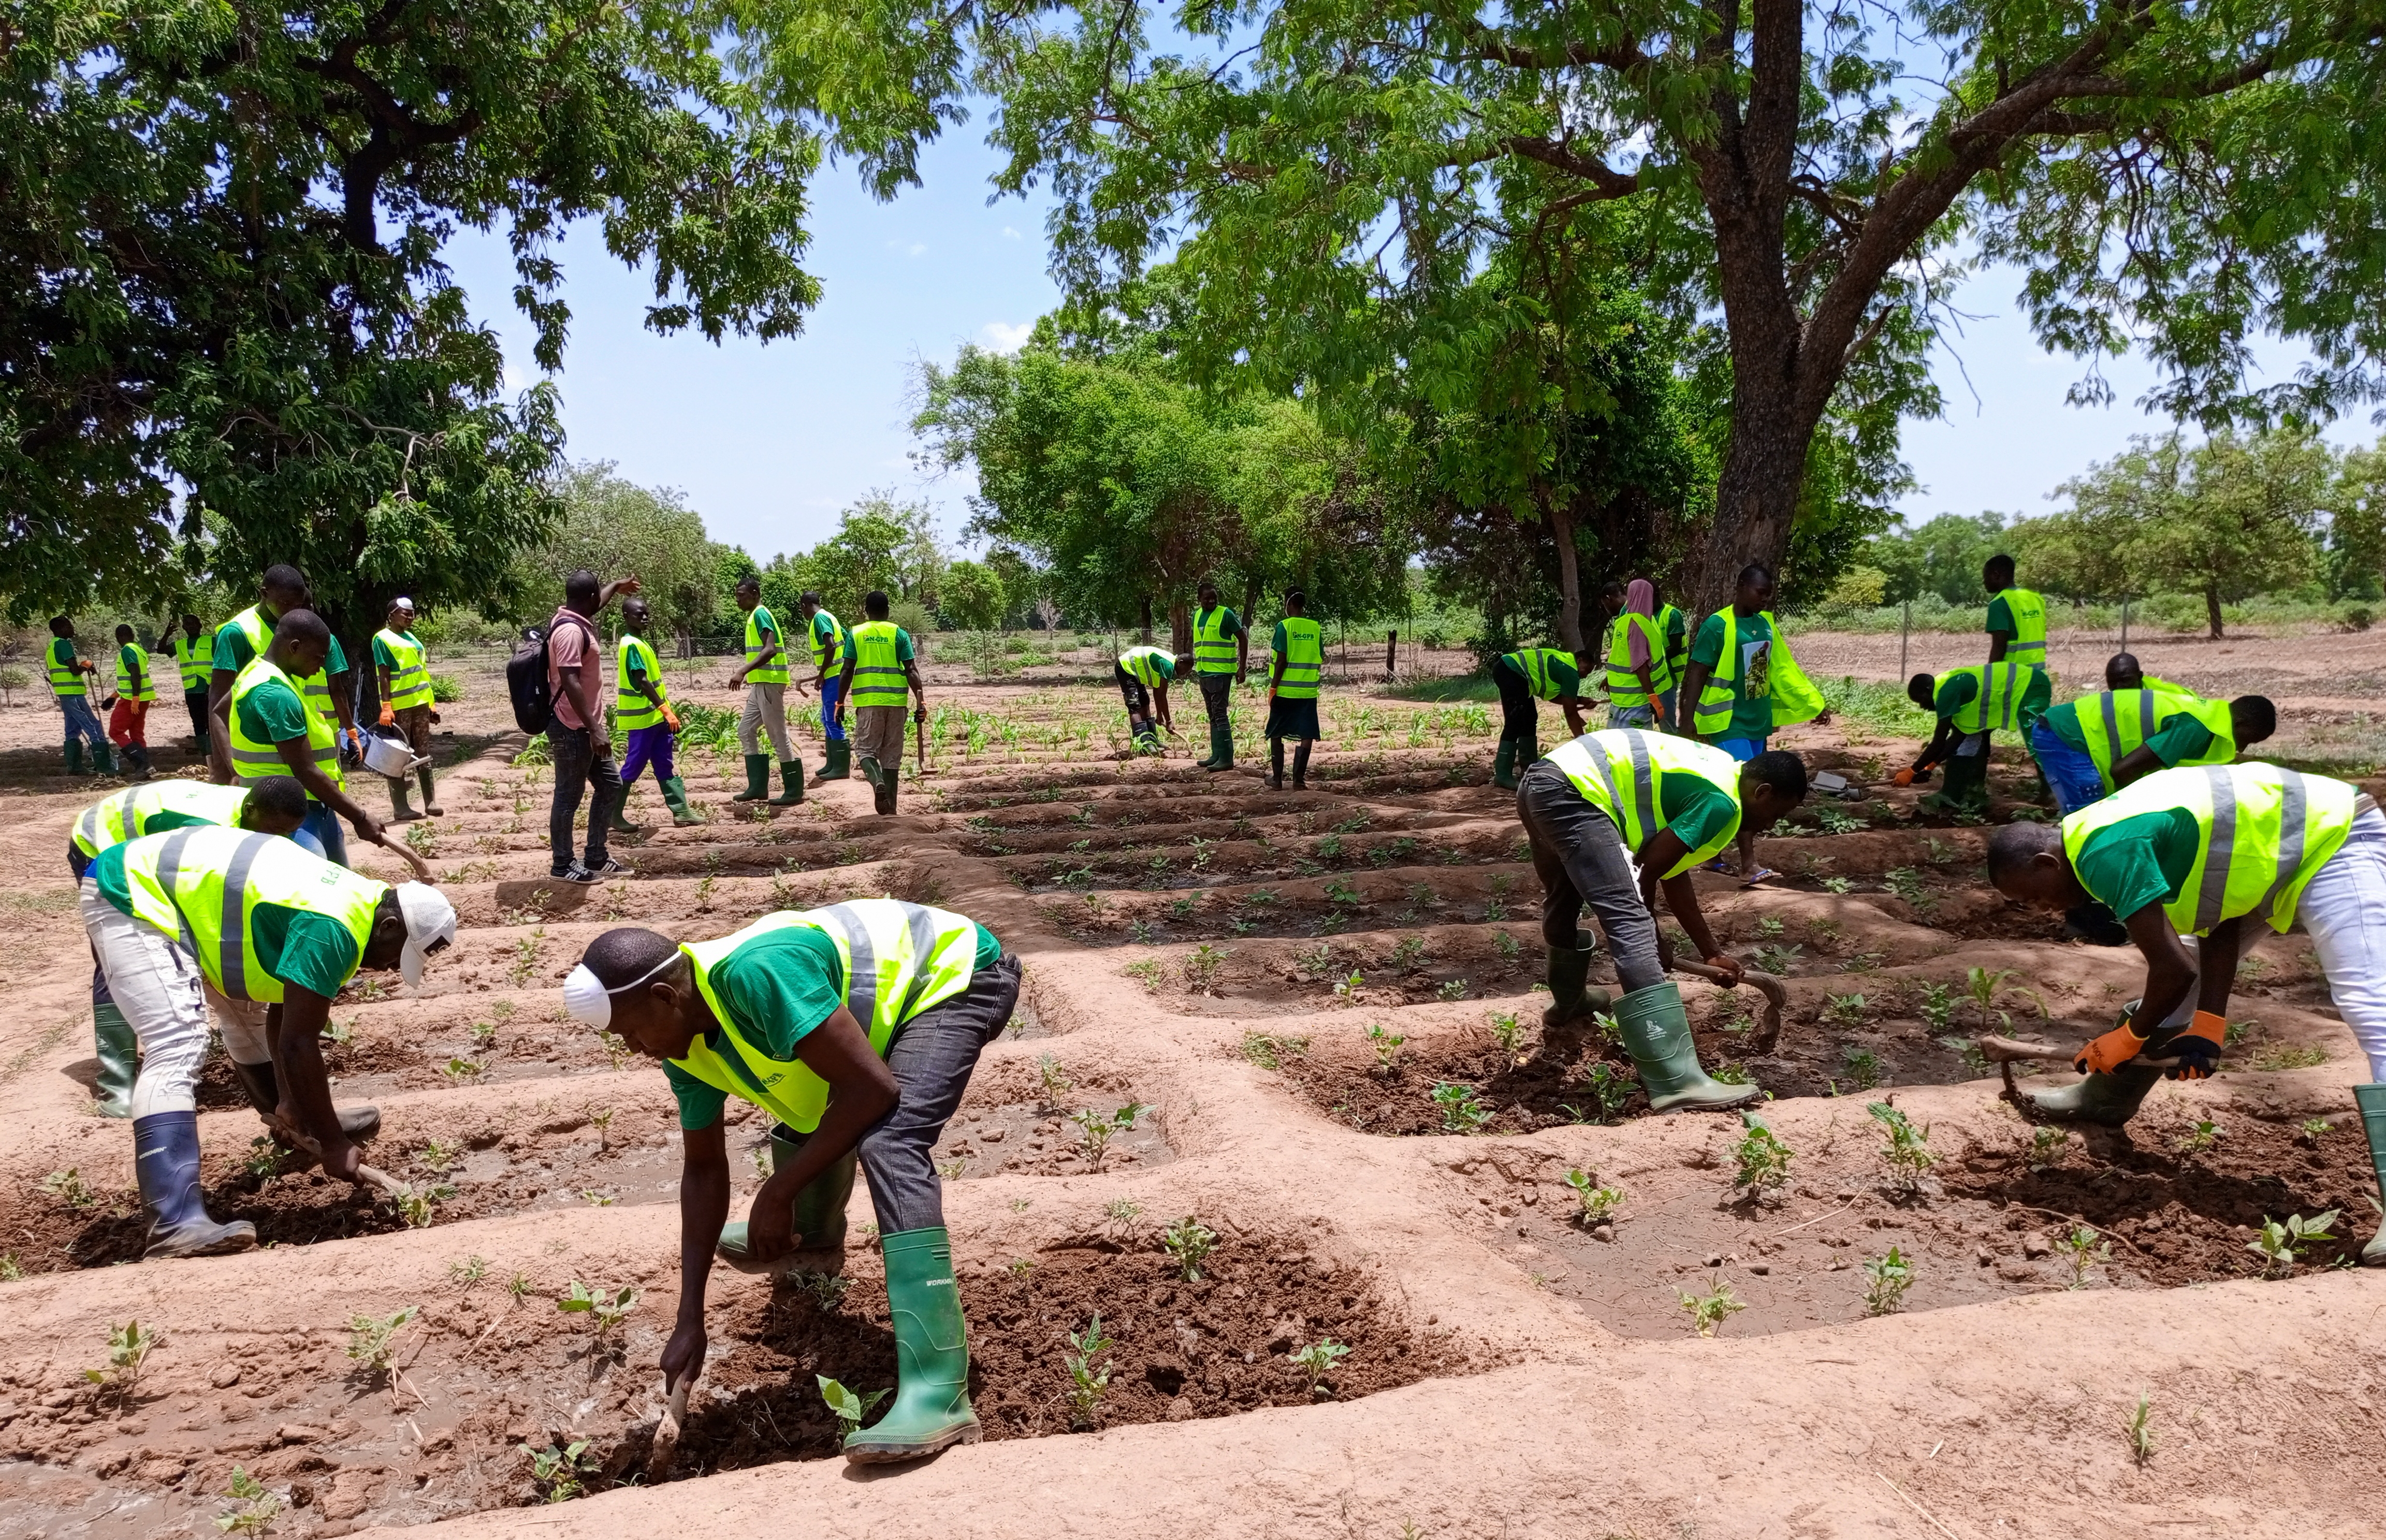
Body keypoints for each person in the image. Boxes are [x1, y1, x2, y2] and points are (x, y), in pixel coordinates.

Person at [561, 897, 1019, 1460]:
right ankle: (815, 1239)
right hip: (885, 1006)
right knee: (815, 1099)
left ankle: (940, 1395)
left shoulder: (757, 975)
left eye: (633, 1033)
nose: (636, 1049)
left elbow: (874, 1090)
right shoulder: (683, 1044)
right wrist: (690, 1317)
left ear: (665, 997)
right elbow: (703, 1167)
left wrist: (777, 1192)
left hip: (954, 973)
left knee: (891, 1140)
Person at [1987, 765, 2386, 1263]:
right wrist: (2207, 1027)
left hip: (2335, 837)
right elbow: (2217, 919)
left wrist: (2130, 1036)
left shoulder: (2104, 852)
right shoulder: (2100, 836)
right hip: (2271, 859)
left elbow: (2172, 968)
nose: (2042, 909)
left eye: (2033, 897)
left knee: (2372, 1006)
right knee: (2181, 992)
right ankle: (2104, 1101)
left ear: (2047, 863)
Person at [79, 823, 455, 1256]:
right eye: (397, 957)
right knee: (177, 1042)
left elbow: (283, 1003)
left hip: (159, 889)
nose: (390, 970)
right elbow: (299, 1043)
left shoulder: (357, 902)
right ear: (389, 926)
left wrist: (291, 1100)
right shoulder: (333, 927)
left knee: (235, 1025)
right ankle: (174, 1224)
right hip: (133, 891)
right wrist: (334, 1144)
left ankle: (294, 1116)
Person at [1520, 730, 1808, 1110]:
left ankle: (1569, 1000)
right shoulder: (1722, 802)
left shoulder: (1720, 771)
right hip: (1576, 795)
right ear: (1764, 793)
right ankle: (1677, 1081)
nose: (1772, 825)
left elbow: (1673, 870)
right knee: (1630, 921)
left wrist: (1711, 953)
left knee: (1564, 897)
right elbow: (1646, 872)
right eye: (1778, 813)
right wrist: (1654, 939)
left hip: (1542, 784)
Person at [68, 776, 312, 1120]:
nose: (281, 839)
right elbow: (194, 900)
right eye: (276, 830)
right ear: (250, 811)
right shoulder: (208, 830)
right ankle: (118, 1083)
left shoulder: (264, 821)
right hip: (102, 844)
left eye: (289, 833)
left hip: (152, 848)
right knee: (119, 959)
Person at [1677, 562, 1828, 881]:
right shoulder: (1717, 626)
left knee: (1739, 790)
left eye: (1769, 595)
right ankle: (1748, 865)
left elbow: (1783, 671)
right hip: (1728, 722)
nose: (1765, 600)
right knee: (1747, 791)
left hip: (1758, 722)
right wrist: (1686, 720)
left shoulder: (1766, 626)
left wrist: (1813, 703)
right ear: (1741, 587)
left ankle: (1713, 855)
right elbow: (1697, 674)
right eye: (1761, 593)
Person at [226, 608, 410, 869]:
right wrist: (359, 817)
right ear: (295, 647)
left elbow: (220, 709)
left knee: (337, 885)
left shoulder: (264, 673)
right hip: (287, 816)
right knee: (314, 892)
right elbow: (306, 770)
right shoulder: (274, 693)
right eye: (318, 657)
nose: (322, 665)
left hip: (314, 805)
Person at [208, 566, 354, 787]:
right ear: (264, 593)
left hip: (303, 743)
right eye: (286, 604)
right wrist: (228, 767)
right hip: (263, 756)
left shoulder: (304, 630)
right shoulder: (238, 633)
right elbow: (218, 706)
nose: (292, 610)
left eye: (298, 604)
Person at [546, 569, 641, 883]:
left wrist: (615, 586)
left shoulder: (576, 618)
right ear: (586, 599)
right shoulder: (571, 632)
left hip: (583, 727)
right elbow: (570, 680)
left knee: (610, 785)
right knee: (568, 797)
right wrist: (594, 727)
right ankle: (563, 865)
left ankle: (596, 856)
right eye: (596, 596)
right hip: (573, 727)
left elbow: (595, 603)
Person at [1897, 662, 2052, 817]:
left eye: (1921, 700)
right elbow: (1957, 738)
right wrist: (1929, 767)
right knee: (1969, 742)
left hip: (2030, 685)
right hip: (2015, 688)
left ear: (1928, 690)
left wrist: (1911, 771)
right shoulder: (1946, 687)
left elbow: (1938, 742)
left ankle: (2053, 792)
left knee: (2037, 741)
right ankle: (1962, 794)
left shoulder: (1946, 692)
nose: (1922, 707)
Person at [836, 590, 929, 815]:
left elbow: (848, 669)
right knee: (891, 756)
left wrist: (839, 702)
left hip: (869, 702)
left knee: (866, 751)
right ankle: (891, 810)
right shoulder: (899, 634)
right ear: (888, 611)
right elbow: (911, 670)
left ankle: (877, 781)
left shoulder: (856, 633)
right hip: (897, 703)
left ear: (866, 611)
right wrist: (921, 701)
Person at [614, 596, 701, 829]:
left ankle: (681, 812)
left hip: (656, 718)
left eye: (647, 613)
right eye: (639, 614)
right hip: (643, 718)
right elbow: (642, 681)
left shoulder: (640, 643)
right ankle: (613, 813)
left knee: (664, 762)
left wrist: (665, 712)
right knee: (634, 764)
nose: (645, 617)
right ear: (626, 617)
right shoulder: (631, 645)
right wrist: (665, 709)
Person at [726, 575, 803, 806]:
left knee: (778, 735)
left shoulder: (760, 614)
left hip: (770, 681)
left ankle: (794, 790)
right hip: (760, 684)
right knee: (745, 730)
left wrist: (743, 670)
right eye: (737, 596)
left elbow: (770, 650)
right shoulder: (754, 617)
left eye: (742, 596)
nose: (738, 600)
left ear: (755, 594)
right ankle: (758, 787)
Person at [371, 596, 441, 821]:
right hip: (399, 706)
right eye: (405, 613)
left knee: (423, 751)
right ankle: (401, 807)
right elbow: (383, 676)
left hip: (419, 702)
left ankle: (431, 802)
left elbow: (421, 672)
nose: (410, 617)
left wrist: (430, 703)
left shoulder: (411, 638)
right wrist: (386, 706)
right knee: (398, 754)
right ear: (392, 614)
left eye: (412, 614)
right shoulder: (382, 639)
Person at [1491, 642, 1594, 790]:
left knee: (1529, 717)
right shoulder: (1570, 670)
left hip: (1510, 670)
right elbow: (1570, 712)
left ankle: (1529, 766)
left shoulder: (1564, 663)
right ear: (1579, 661)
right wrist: (1583, 741)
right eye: (1586, 670)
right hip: (1511, 671)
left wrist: (1580, 700)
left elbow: (1553, 697)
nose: (1585, 676)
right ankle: (1503, 775)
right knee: (1515, 720)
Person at [1265, 589, 1324, 791]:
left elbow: (1281, 661)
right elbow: (1319, 657)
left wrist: (1273, 687)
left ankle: (1277, 780)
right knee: (1307, 732)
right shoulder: (1315, 628)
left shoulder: (1284, 627)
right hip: (1307, 691)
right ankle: (1298, 781)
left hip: (1285, 691)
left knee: (1276, 731)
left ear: (1289, 604)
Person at [1190, 579, 1250, 773]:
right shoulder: (1197, 616)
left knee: (1220, 714)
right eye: (1207, 599)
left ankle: (1226, 758)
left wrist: (1242, 668)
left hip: (1221, 673)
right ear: (1199, 599)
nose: (1211, 602)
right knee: (1212, 715)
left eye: (1214, 598)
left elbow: (1242, 637)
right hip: (1204, 672)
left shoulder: (1226, 614)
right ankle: (1216, 754)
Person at [798, 591, 853, 782]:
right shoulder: (830, 616)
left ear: (805, 605)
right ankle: (832, 763)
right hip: (835, 674)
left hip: (833, 676)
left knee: (833, 719)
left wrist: (821, 675)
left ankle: (840, 768)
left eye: (801, 608)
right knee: (826, 718)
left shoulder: (820, 619)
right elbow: (847, 638)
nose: (802, 612)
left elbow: (830, 646)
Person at [46, 616, 112, 775]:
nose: (72, 628)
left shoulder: (52, 645)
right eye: (69, 625)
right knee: (93, 726)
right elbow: (74, 670)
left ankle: (75, 767)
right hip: (73, 694)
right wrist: (86, 665)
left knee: (72, 729)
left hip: (64, 694)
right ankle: (105, 767)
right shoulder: (64, 644)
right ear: (61, 629)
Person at [1601, 579, 1669, 729]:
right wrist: (1654, 700)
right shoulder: (1641, 623)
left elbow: (1623, 657)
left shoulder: (1624, 621)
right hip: (1635, 702)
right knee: (1637, 749)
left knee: (1617, 746)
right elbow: (1640, 667)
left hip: (1621, 701)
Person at [107, 623, 155, 781]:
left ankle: (143, 764)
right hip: (143, 698)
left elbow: (135, 674)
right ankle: (145, 768)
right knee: (136, 733)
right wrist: (114, 696)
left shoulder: (127, 650)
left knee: (116, 731)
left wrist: (134, 698)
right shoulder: (139, 650)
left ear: (118, 637)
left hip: (132, 700)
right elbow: (128, 679)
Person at [1982, 553, 2047, 670]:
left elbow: (1999, 647)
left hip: (2014, 677)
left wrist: (1989, 676)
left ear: (1996, 575)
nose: (1984, 581)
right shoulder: (2036, 599)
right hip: (2039, 674)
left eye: (1986, 576)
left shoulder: (1999, 603)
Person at [1114, 642, 1181, 756]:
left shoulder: (1168, 661)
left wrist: (1160, 714)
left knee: (1145, 701)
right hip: (1126, 668)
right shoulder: (1169, 666)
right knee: (1135, 706)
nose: (1185, 673)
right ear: (1181, 662)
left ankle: (1152, 740)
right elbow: (1163, 696)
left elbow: (1157, 691)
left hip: (1136, 673)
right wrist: (1169, 721)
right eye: (1186, 669)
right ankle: (1143, 744)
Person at [166, 613, 213, 756]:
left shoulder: (211, 641)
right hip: (192, 690)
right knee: (198, 723)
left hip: (209, 688)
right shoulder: (180, 644)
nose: (191, 626)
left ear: (200, 625)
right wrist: (167, 634)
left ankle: (215, 753)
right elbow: (162, 650)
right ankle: (207, 754)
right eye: (187, 624)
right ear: (184, 627)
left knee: (211, 722)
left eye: (194, 623)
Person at [1654, 583, 1690, 729]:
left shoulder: (1671, 614)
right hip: (1654, 674)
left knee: (1666, 721)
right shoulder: (1645, 615)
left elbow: (1675, 648)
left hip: (1670, 674)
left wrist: (1652, 659)